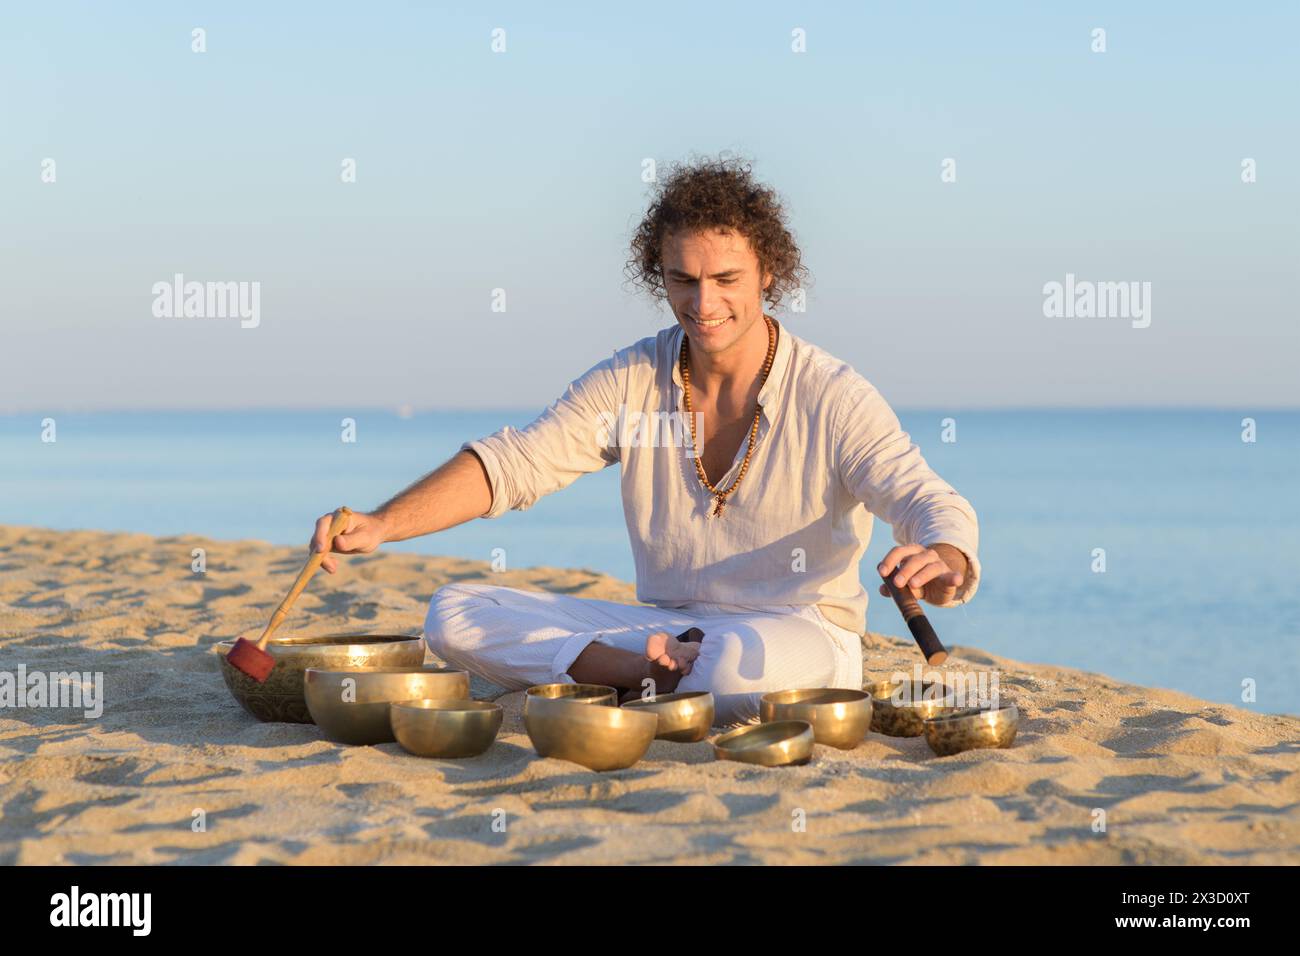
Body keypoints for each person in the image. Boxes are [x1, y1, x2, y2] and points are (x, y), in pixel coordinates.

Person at [309, 156, 980, 727]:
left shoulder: (832, 394)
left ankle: (629, 686)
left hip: (799, 634)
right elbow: (520, 462)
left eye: (725, 280)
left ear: (768, 272)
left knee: (741, 664)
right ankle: (640, 677)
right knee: (453, 612)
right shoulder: (632, 377)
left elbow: (924, 497)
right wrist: (383, 522)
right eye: (682, 279)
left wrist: (943, 556)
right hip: (666, 632)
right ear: (657, 273)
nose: (703, 303)